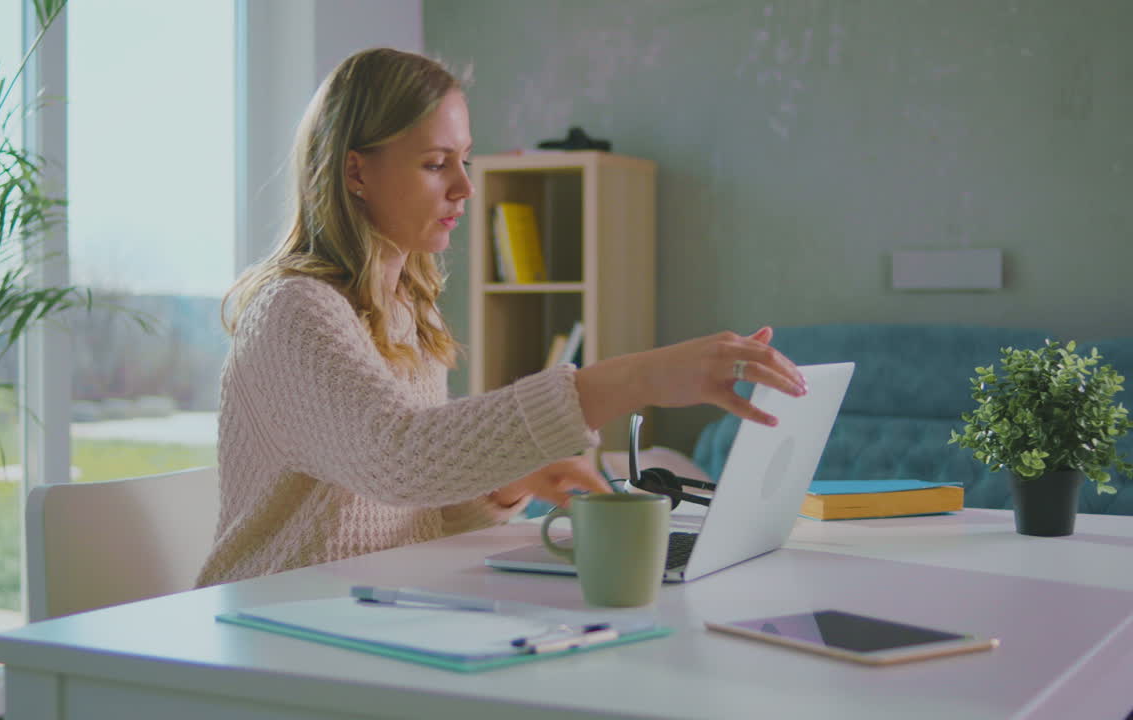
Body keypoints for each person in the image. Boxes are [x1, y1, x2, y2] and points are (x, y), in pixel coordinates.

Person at [195, 48, 807, 588]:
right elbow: (400, 458)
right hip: (275, 615)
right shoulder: (293, 309)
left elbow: (418, 512)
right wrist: (637, 378)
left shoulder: (408, 311)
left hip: (377, 604)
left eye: (463, 159)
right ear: (356, 171)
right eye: (436, 163)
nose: (465, 186)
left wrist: (509, 483)